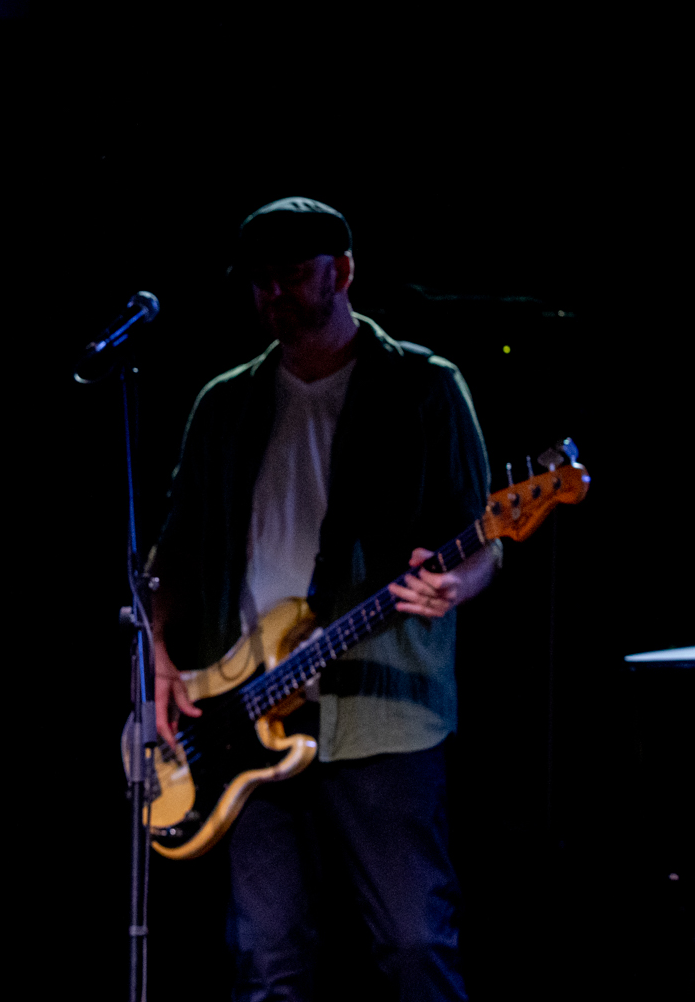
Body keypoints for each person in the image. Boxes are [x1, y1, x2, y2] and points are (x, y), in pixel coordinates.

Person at [145, 197, 497, 1002]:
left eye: (292, 277)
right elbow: (177, 553)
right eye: (260, 282)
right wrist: (160, 659)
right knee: (266, 962)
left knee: (413, 948)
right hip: (242, 709)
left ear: (342, 273)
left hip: (383, 719)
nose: (274, 296)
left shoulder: (424, 386)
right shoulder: (225, 403)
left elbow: (484, 541)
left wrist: (456, 583)